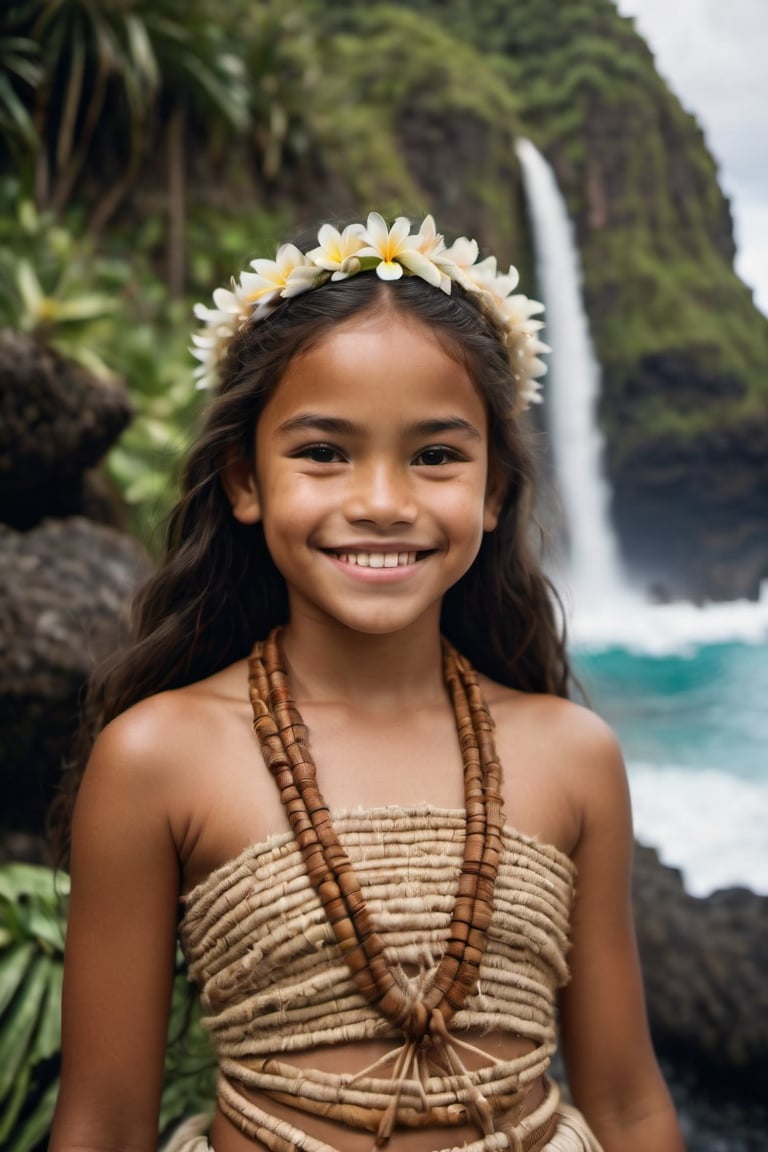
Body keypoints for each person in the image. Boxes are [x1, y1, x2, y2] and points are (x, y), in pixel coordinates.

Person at [49, 212, 685, 1152]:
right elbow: (102, 1125)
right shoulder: (157, 758)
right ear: (244, 478)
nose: (381, 504)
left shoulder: (572, 756)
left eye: (434, 456)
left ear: (496, 489)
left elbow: (628, 1105)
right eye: (323, 452)